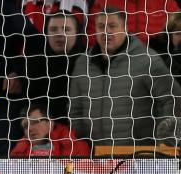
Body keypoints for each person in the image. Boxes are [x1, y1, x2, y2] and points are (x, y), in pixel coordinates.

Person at [70, 8, 181, 147]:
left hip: (139, 156)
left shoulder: (147, 60)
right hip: (95, 157)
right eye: (101, 26)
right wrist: (82, 144)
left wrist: (163, 141)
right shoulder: (82, 63)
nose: (106, 31)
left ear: (125, 28)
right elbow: (75, 110)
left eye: (112, 26)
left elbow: (172, 99)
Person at [10, 101, 91, 158]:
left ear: (50, 123)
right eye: (25, 126)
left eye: (35, 122)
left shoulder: (76, 147)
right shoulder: (18, 153)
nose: (29, 128)